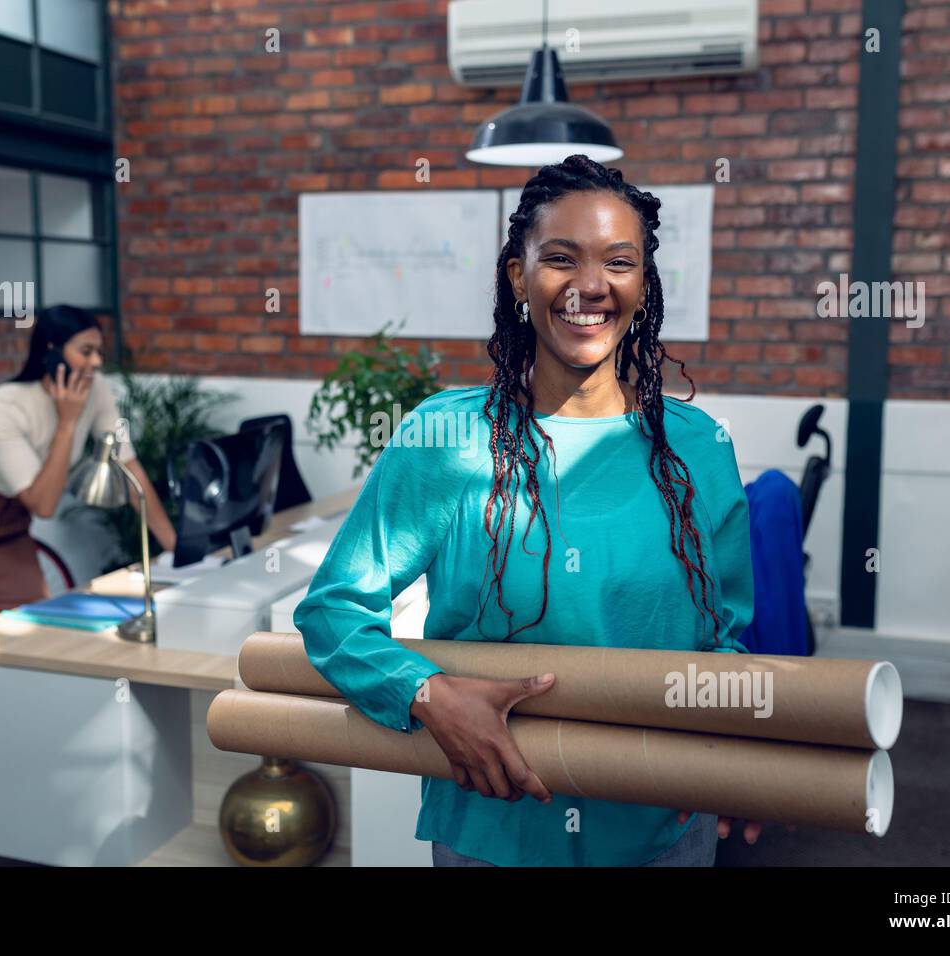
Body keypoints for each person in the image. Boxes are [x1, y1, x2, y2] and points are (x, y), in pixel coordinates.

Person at [294, 154, 762, 867]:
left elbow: (726, 638)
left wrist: (727, 749)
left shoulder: (699, 449)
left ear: (643, 282)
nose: (591, 286)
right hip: (495, 830)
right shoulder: (441, 440)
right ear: (519, 274)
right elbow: (332, 612)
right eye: (561, 259)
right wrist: (428, 694)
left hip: (661, 826)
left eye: (618, 261)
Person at [0, 305, 176, 747]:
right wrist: (68, 422)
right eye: (85, 351)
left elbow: (128, 468)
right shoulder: (2, 407)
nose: (95, 363)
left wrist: (175, 548)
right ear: (51, 351)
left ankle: (34, 746)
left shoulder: (97, 389)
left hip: (5, 523)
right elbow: (44, 504)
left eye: (99, 352)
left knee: (41, 635)